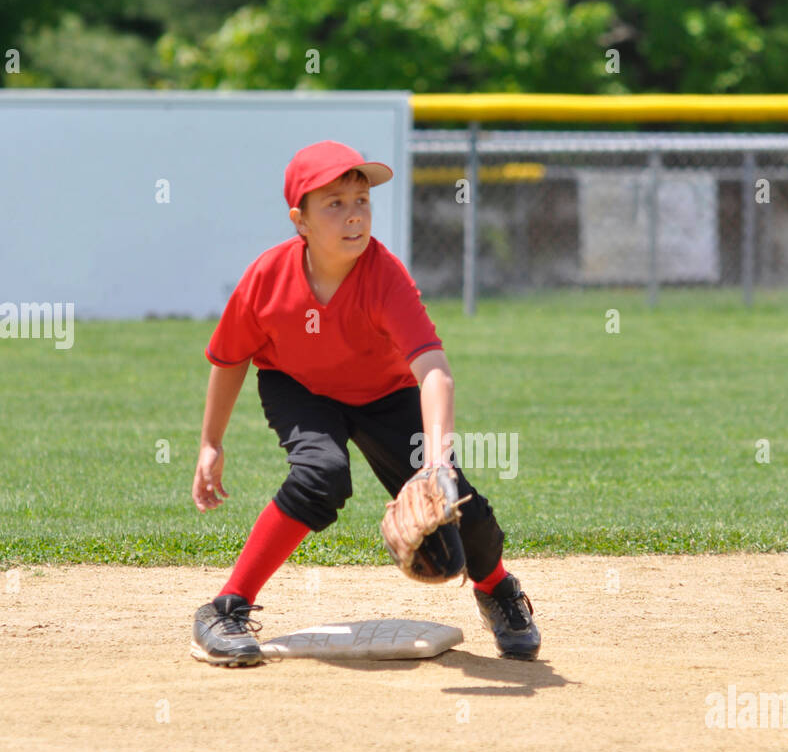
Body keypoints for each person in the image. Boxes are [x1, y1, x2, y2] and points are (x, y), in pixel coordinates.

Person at [190, 140, 541, 667]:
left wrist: (436, 464)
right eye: (334, 204)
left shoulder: (385, 276)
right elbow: (229, 357)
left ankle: (496, 588)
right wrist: (211, 443)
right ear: (300, 220)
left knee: (455, 505)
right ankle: (225, 608)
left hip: (385, 393)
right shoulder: (267, 277)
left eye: (361, 201)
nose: (354, 215)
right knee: (321, 476)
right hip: (299, 386)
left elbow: (434, 370)